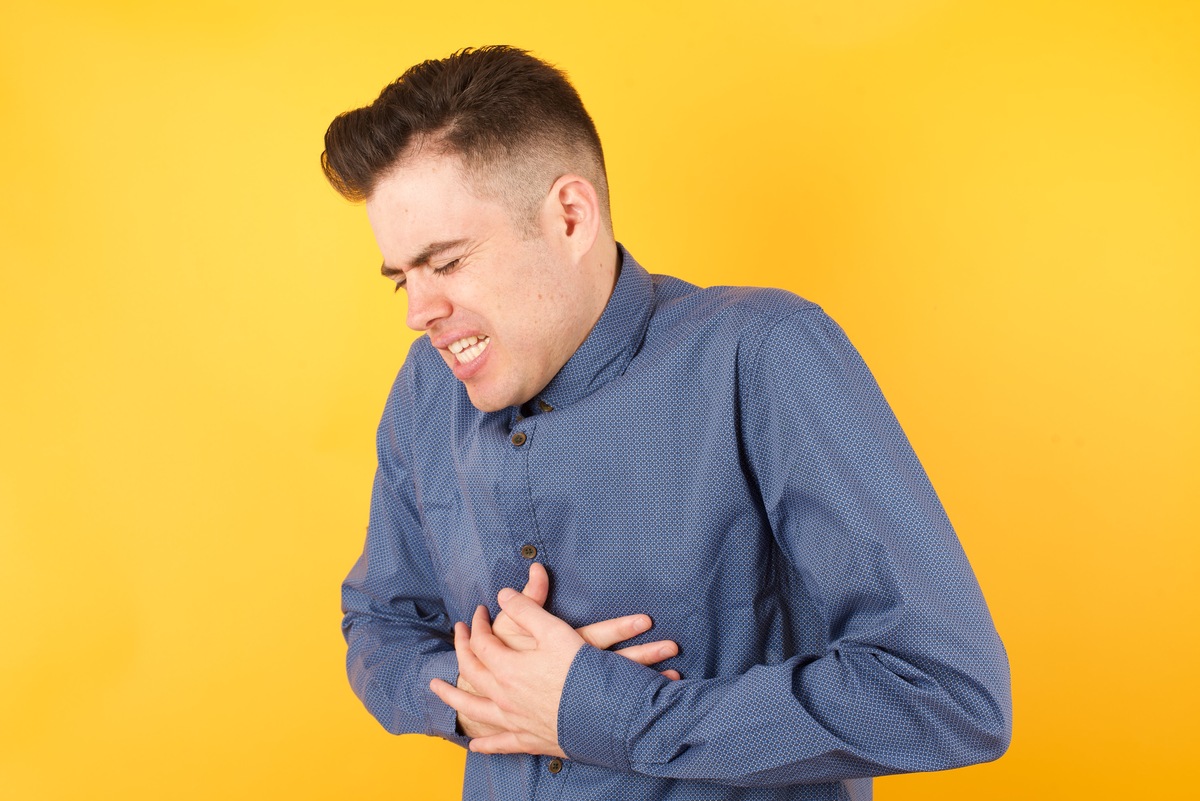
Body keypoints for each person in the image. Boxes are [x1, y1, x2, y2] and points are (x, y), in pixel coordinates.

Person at [322, 45, 1011, 801]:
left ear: (570, 216)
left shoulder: (762, 353)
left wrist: (605, 710)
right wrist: (483, 688)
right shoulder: (426, 389)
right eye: (403, 280)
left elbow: (947, 694)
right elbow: (380, 623)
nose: (420, 312)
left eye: (447, 263)